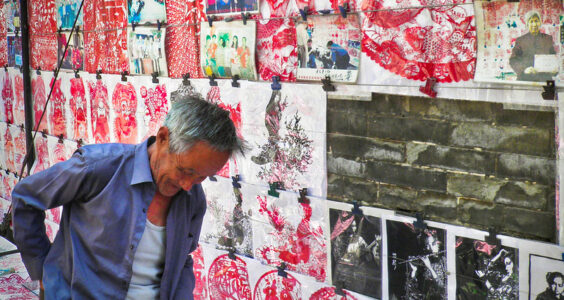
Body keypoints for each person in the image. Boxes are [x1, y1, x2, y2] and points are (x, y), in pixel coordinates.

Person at [12, 93, 246, 299]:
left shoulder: (193, 198)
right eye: (185, 171)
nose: (187, 185)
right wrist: (41, 268)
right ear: (163, 138)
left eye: (201, 177)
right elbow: (26, 198)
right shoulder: (99, 167)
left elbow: (181, 259)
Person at [509, 11, 557, 82]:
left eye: (536, 21)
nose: (534, 24)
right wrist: (524, 69)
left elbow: (553, 58)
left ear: (540, 23)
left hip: (544, 80)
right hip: (525, 80)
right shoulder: (521, 40)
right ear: (527, 24)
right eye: (531, 21)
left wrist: (554, 69)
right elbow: (513, 60)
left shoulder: (548, 39)